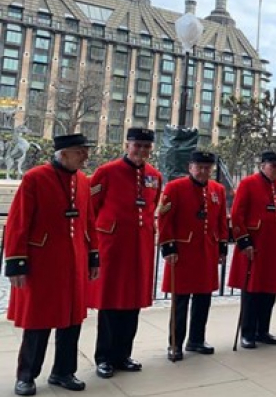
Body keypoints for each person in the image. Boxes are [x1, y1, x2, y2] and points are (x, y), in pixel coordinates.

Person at [4, 133, 98, 396]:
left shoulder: (82, 180)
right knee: (39, 322)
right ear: (64, 153)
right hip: (43, 263)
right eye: (81, 151)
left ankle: (63, 371)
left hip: (74, 263)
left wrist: (93, 255)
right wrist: (16, 263)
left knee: (71, 321)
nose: (86, 156)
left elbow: (89, 221)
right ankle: (26, 376)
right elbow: (18, 223)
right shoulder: (35, 178)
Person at [88, 128, 163, 378]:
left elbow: (152, 206)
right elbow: (91, 207)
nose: (141, 151)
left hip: (140, 248)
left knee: (133, 302)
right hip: (113, 247)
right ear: (127, 144)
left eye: (146, 147)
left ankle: (123, 354)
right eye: (137, 145)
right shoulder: (106, 172)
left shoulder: (154, 176)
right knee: (109, 302)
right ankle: (104, 357)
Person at [158, 151, 229, 361]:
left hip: (207, 251)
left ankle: (196, 339)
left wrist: (222, 246)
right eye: (199, 167)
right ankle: (175, 343)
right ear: (190, 167)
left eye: (207, 167)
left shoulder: (218, 189)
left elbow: (221, 221)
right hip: (182, 252)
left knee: (203, 299)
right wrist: (168, 247)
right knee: (180, 301)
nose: (203, 171)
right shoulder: (175, 187)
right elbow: (164, 218)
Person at [228, 151, 276, 349]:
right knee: (252, 292)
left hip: (275, 247)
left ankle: (262, 330)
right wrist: (244, 241)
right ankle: (247, 332)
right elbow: (237, 215)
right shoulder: (248, 184)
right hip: (255, 246)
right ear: (263, 165)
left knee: (270, 291)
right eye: (274, 166)